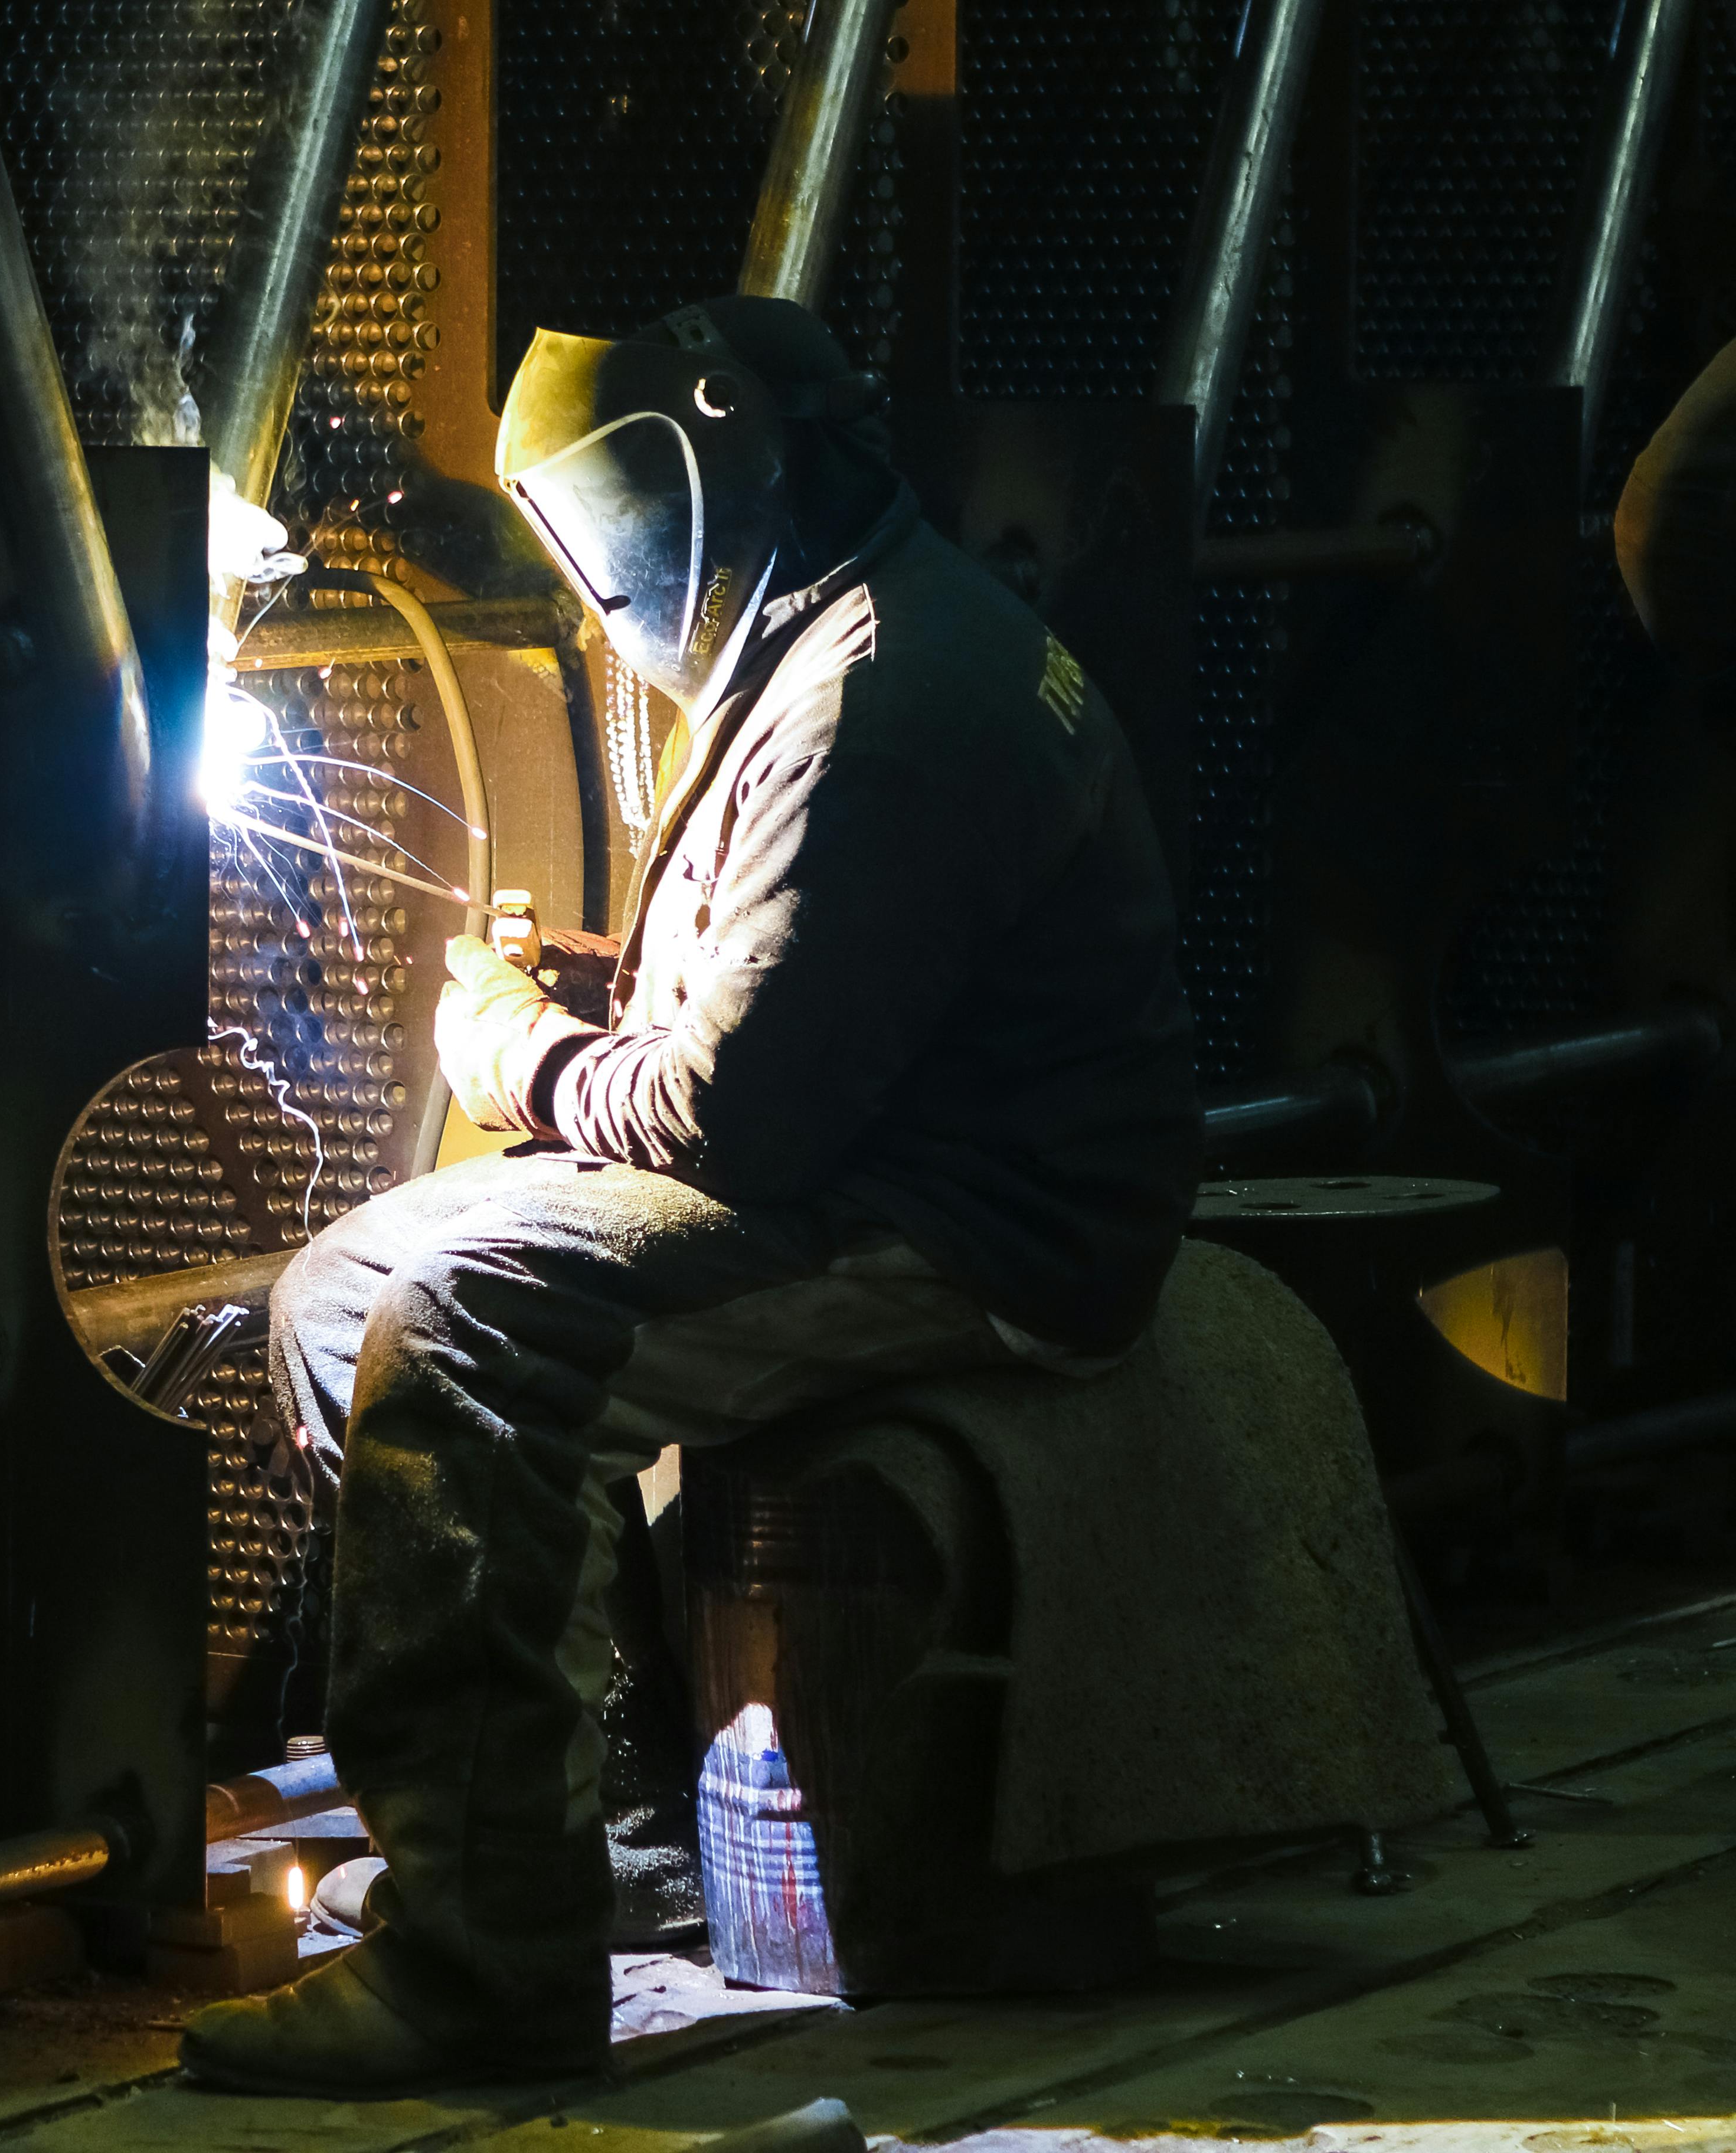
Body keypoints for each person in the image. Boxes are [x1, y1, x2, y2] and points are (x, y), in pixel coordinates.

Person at [180, 296, 1199, 2095]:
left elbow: (736, 1124)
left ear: (682, 505)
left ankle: (481, 1967)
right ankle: (595, 1837)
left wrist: (512, 1053)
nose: (594, 611)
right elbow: (813, 992)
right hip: (908, 1147)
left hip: (975, 1229)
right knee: (341, 1294)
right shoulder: (860, 619)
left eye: (594, 568)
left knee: (471, 1327)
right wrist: (610, 988)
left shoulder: (875, 703)